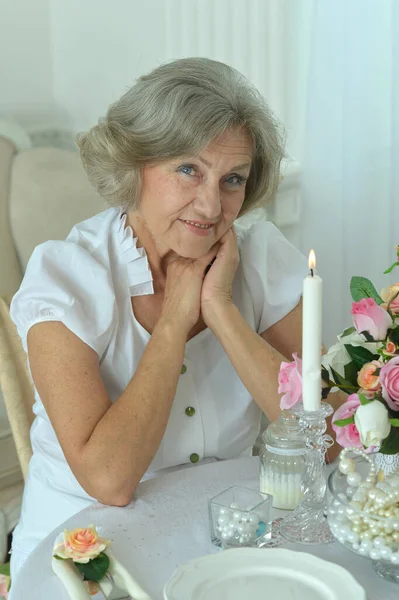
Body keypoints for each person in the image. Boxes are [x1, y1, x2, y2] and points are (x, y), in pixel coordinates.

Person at [8, 57, 338, 583]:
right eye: (188, 169)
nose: (211, 204)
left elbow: (331, 438)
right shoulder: (66, 278)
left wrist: (222, 312)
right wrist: (174, 322)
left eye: (233, 179)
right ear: (133, 164)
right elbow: (110, 480)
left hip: (227, 529)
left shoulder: (262, 259)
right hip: (82, 549)